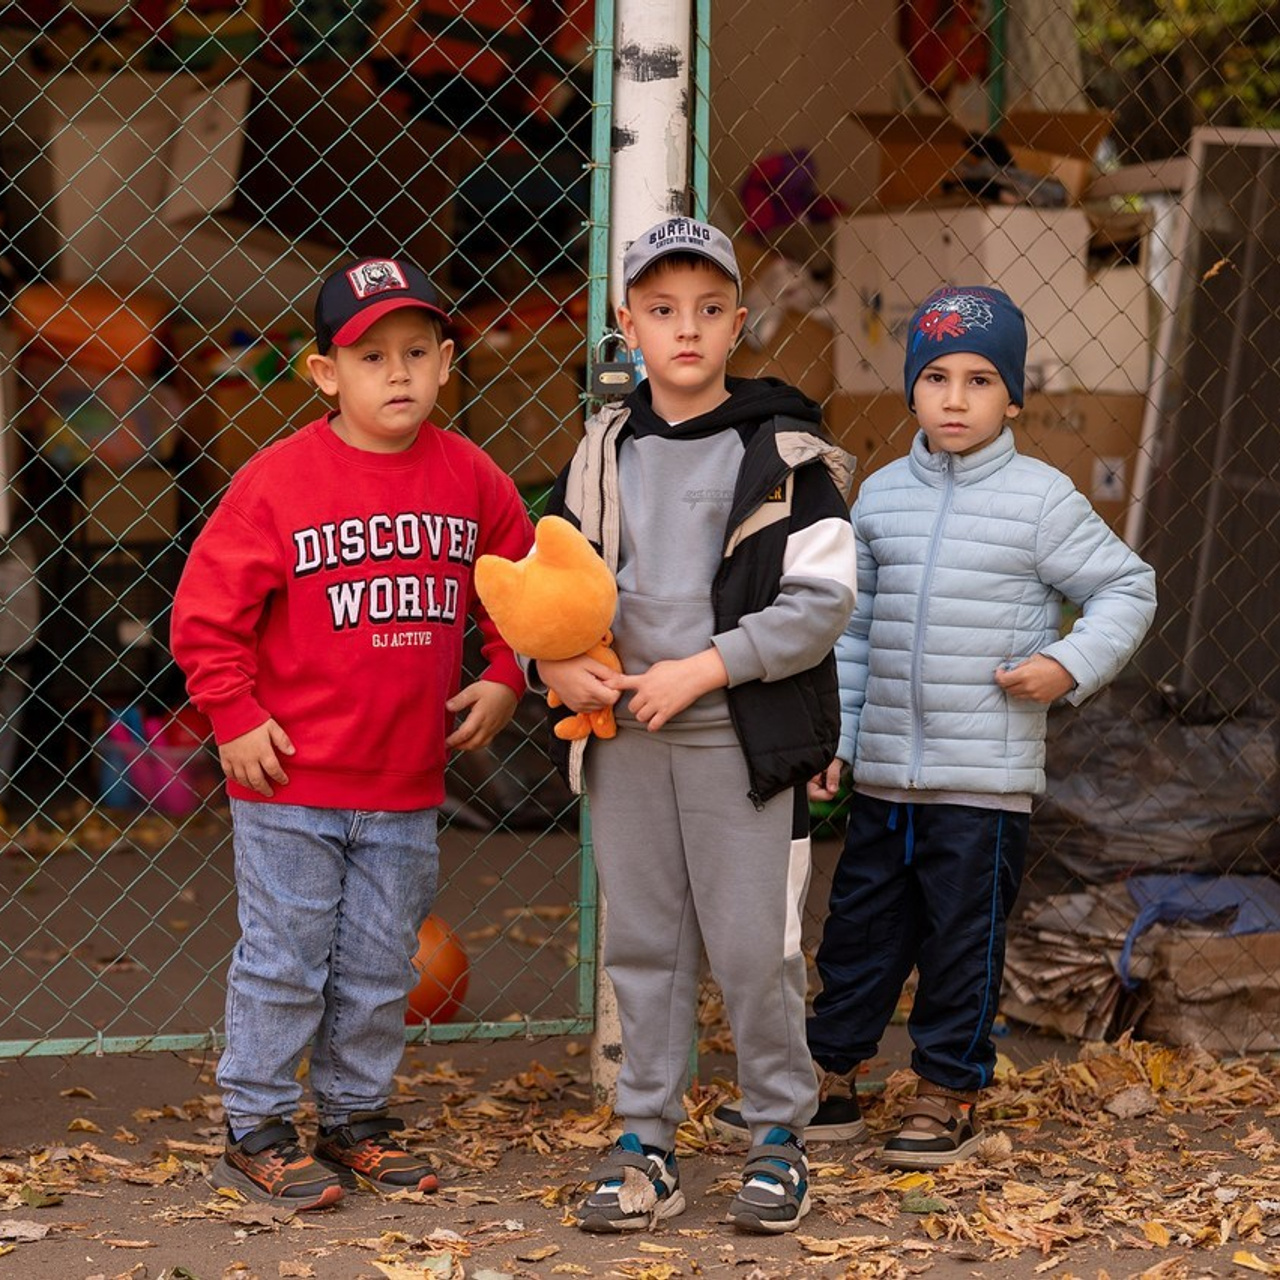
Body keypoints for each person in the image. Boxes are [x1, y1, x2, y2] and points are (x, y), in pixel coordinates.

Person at [717, 284, 1157, 1166]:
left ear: (1014, 397)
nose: (956, 399)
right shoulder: (879, 497)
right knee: (861, 931)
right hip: (884, 773)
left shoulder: (1041, 499)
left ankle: (946, 1086)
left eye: (981, 379)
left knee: (964, 940)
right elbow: (851, 625)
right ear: (912, 390)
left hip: (983, 783)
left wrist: (1067, 664)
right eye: (937, 378)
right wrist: (835, 738)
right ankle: (830, 1078)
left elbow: (1127, 586)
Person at [171, 256, 534, 1210]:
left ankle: (352, 1118)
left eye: (417, 352)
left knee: (380, 964)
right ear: (326, 373)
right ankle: (254, 1126)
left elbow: (522, 586)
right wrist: (235, 713)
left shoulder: (471, 475)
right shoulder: (278, 481)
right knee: (286, 959)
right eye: (371, 356)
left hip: (406, 782)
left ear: (449, 361)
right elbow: (206, 613)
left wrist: (504, 674)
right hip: (290, 779)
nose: (399, 373)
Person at [535, 217, 857, 1234]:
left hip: (737, 741)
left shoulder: (786, 451)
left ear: (737, 323)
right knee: (643, 944)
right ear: (625, 323)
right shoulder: (597, 453)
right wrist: (550, 662)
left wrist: (705, 667)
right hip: (623, 738)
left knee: (753, 948)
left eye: (708, 311)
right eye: (661, 311)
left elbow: (818, 606)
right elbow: (541, 589)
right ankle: (645, 1139)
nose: (685, 330)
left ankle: (776, 1133)